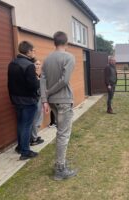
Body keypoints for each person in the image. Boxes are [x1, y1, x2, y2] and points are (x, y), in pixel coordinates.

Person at [40, 31, 77, 180]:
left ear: (54, 42)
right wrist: (48, 93)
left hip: (53, 102)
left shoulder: (47, 59)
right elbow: (64, 80)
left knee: (60, 132)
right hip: (63, 100)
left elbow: (42, 80)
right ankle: (60, 169)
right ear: (66, 42)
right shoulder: (69, 57)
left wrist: (45, 99)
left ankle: (60, 163)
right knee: (63, 134)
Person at [8, 41, 39, 160]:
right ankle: (25, 151)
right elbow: (33, 85)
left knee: (21, 124)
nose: (34, 52)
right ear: (28, 51)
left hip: (16, 99)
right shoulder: (29, 65)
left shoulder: (12, 63)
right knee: (26, 125)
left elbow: (9, 83)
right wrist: (37, 80)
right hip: (28, 101)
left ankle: (20, 147)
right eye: (33, 50)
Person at [30, 59, 45, 146]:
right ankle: (34, 139)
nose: (38, 66)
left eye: (39, 64)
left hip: (38, 99)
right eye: (36, 64)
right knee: (36, 119)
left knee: (38, 118)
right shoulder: (32, 76)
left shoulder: (37, 75)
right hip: (35, 100)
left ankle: (34, 136)